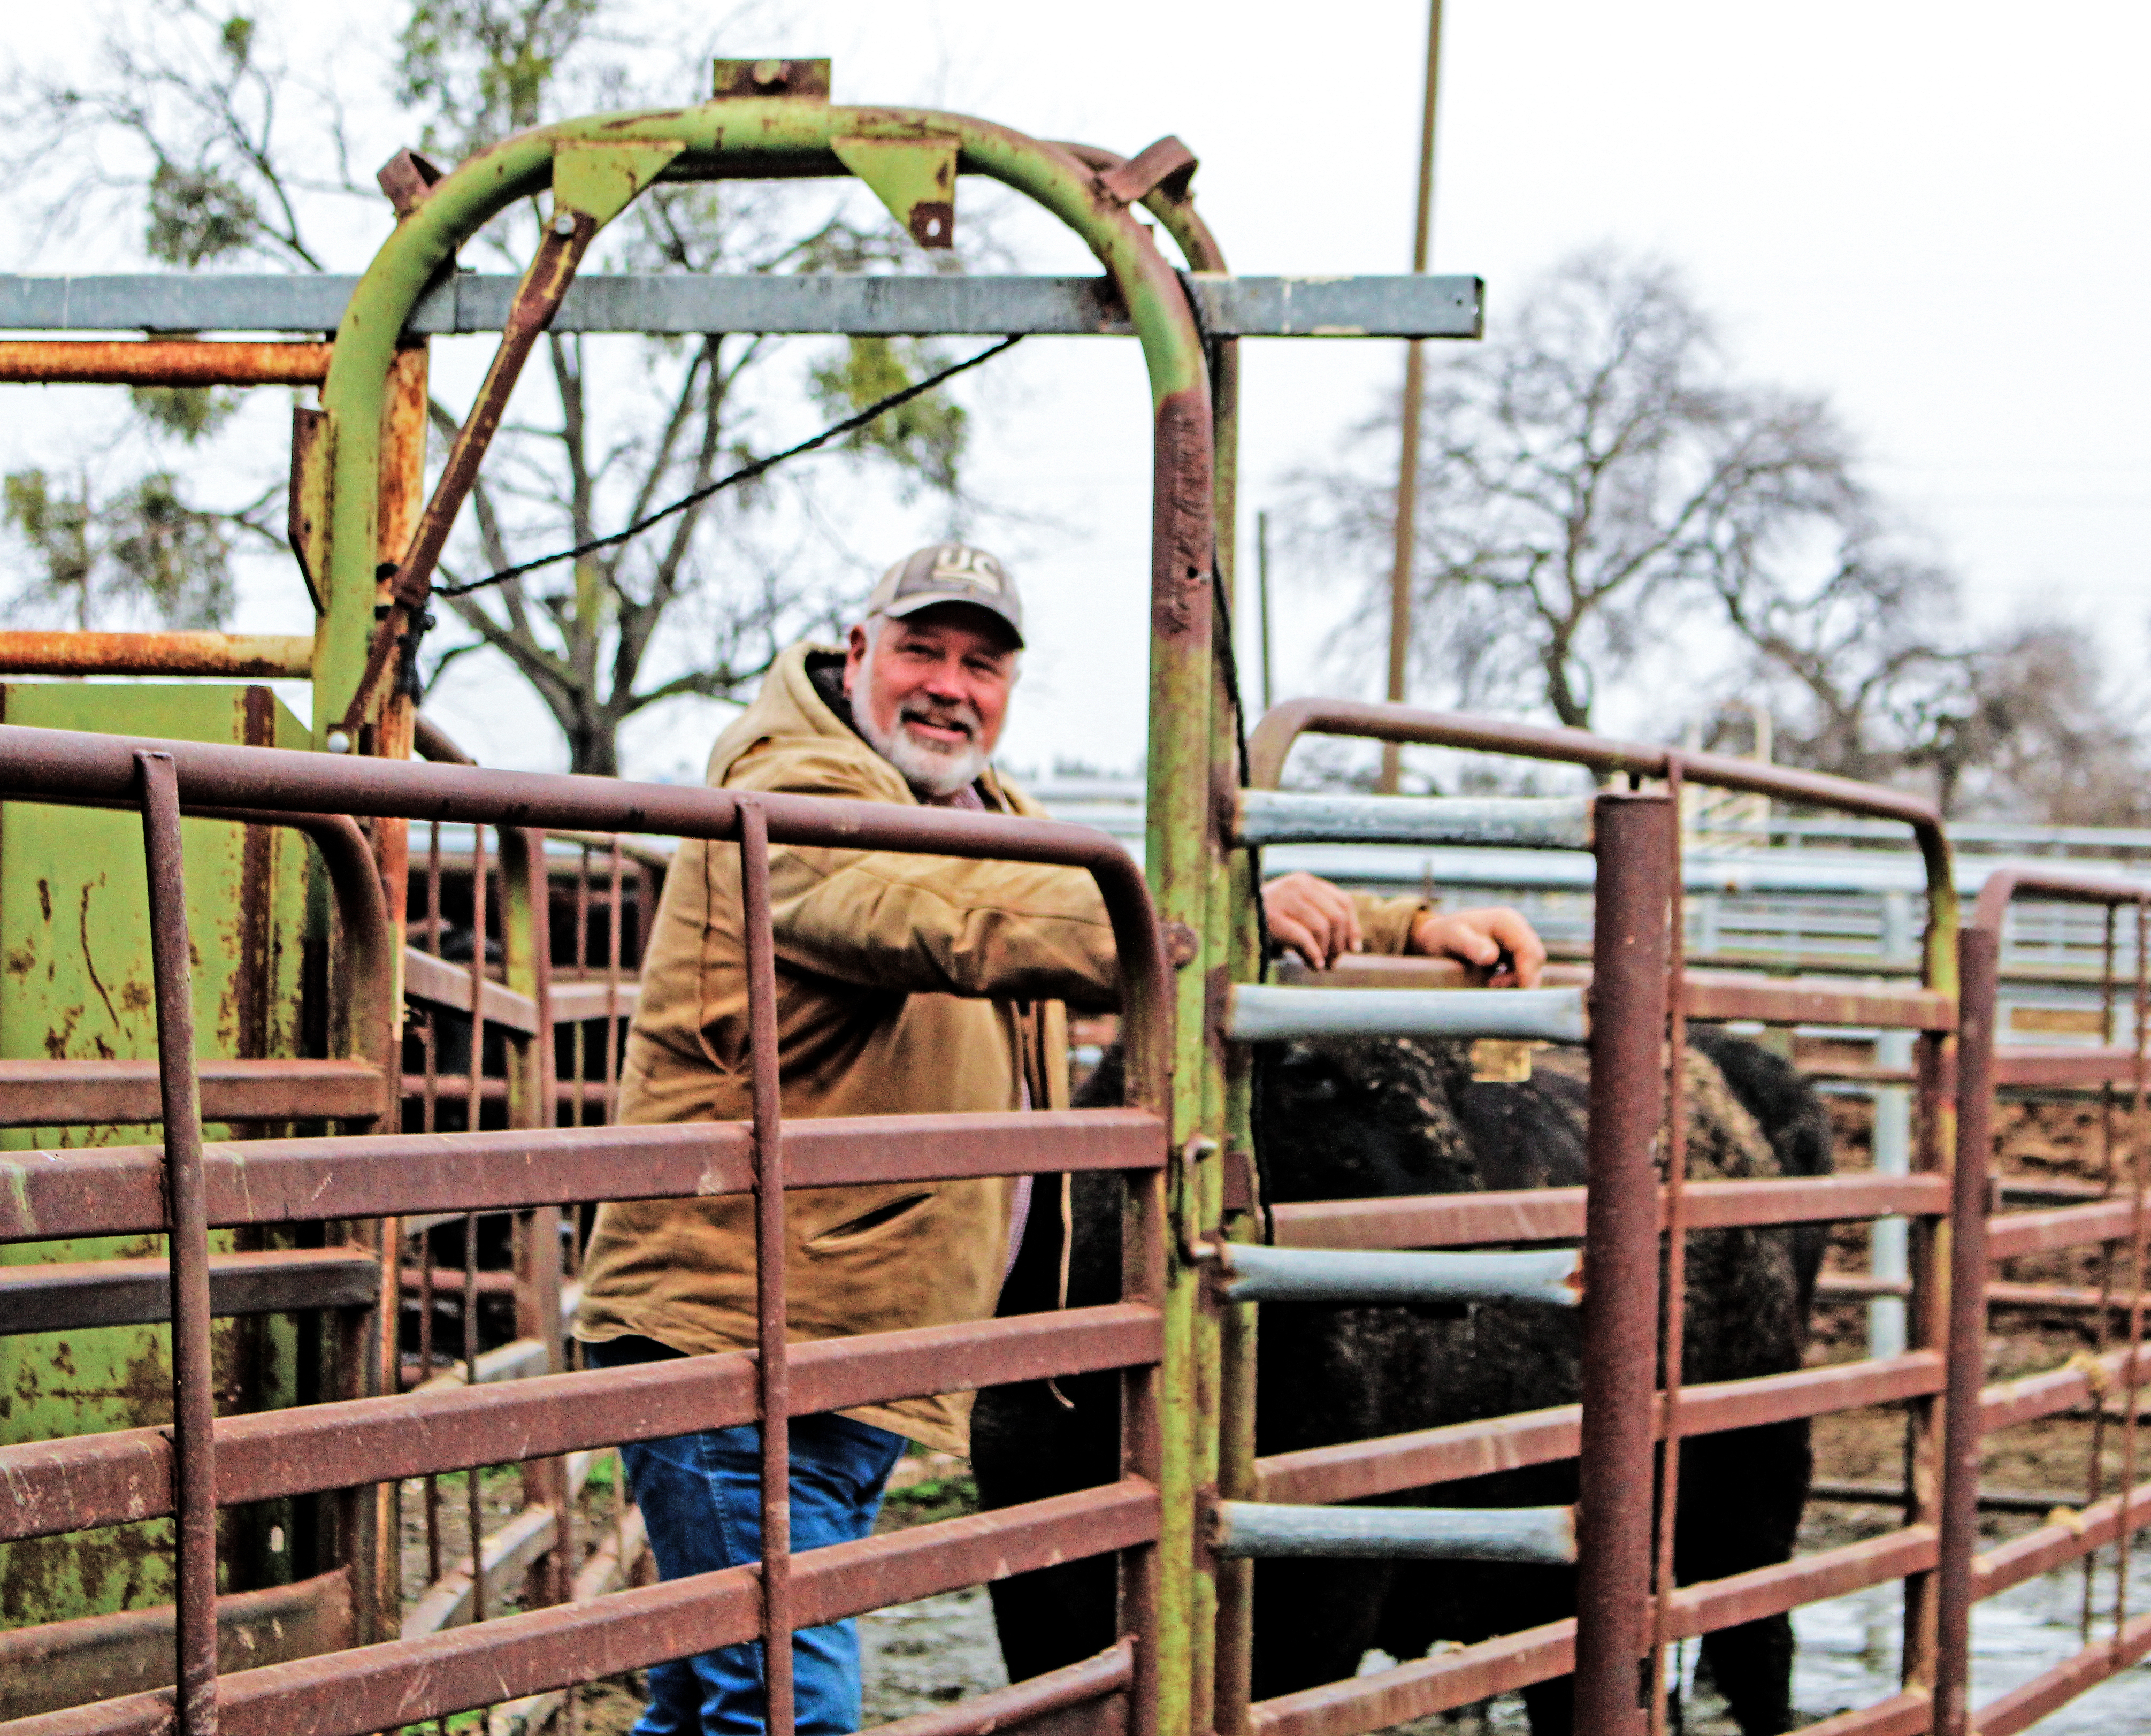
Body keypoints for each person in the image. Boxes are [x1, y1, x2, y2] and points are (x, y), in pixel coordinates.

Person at [574, 543, 1545, 1735]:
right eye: (922, 649)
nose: (949, 685)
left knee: (719, 1692)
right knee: (783, 1703)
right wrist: (1209, 924)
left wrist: (1410, 927)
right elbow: (934, 911)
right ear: (856, 647)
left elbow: (1122, 892)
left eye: (982, 663)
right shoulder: (792, 793)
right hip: (736, 1336)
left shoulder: (983, 815)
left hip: (846, 1337)